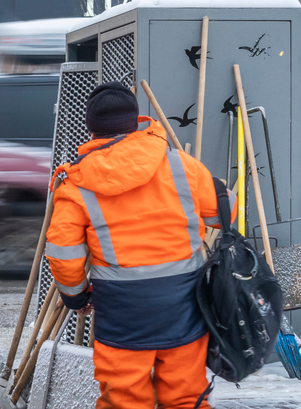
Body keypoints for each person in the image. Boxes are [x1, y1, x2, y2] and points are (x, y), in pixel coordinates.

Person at [45, 81, 237, 409]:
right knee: (186, 396)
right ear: (136, 120)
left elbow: (64, 253)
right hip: (185, 305)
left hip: (123, 312)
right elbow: (225, 213)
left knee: (124, 399)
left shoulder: (77, 184)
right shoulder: (181, 166)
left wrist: (77, 297)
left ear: (92, 129)